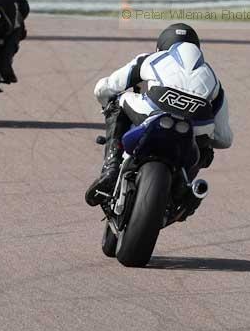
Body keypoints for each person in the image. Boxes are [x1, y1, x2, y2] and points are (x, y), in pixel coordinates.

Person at [85, 23, 233, 207]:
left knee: (117, 99)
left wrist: (107, 107)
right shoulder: (213, 77)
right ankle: (184, 190)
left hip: (152, 109)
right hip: (196, 124)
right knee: (206, 145)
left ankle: (111, 168)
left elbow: (103, 88)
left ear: (161, 45)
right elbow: (224, 138)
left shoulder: (151, 58)